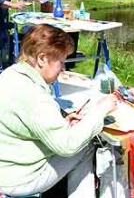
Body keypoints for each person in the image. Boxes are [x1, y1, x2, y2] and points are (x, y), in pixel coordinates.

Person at [0, 24, 118, 198]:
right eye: (61, 62)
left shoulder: (11, 74)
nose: (63, 69)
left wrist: (62, 122)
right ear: (42, 59)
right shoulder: (33, 95)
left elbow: (28, 121)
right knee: (84, 147)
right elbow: (67, 146)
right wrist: (100, 111)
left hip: (8, 166)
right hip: (18, 179)